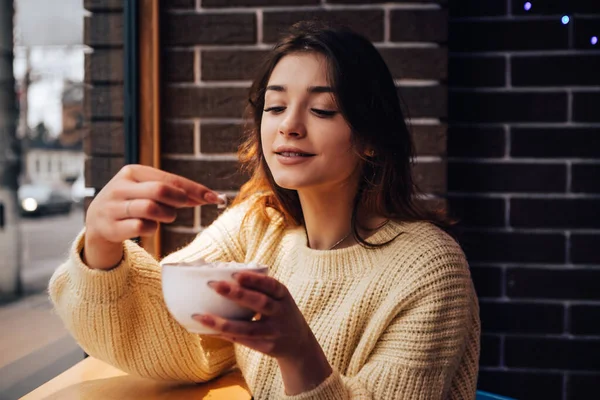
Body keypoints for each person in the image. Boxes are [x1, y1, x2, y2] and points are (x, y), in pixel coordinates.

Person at [49, 21, 480, 399]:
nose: (289, 124)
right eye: (274, 107)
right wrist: (102, 247)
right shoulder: (259, 225)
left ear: (370, 137)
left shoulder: (429, 269)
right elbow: (168, 336)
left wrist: (298, 355)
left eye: (322, 109)